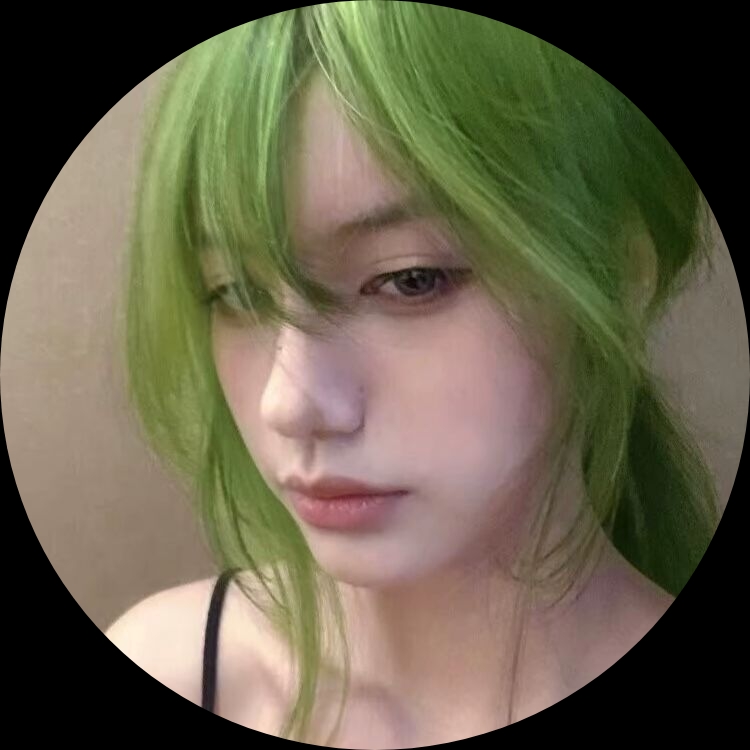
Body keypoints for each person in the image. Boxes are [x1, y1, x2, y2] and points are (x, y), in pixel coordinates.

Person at [105, 5, 720, 748]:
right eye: (236, 293)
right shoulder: (174, 669)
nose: (290, 403)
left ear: (618, 276)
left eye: (410, 279)